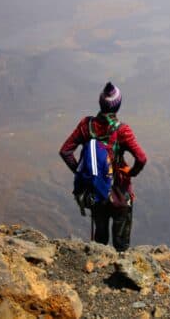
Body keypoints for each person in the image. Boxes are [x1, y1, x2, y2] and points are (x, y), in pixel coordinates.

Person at [59, 82, 147, 251]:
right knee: (121, 244)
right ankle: (120, 270)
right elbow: (141, 158)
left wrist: (85, 175)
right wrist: (131, 172)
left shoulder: (86, 125)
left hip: (96, 191)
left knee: (100, 241)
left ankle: (99, 267)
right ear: (118, 105)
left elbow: (66, 151)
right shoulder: (123, 131)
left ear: (100, 103)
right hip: (120, 192)